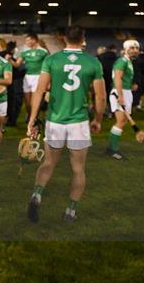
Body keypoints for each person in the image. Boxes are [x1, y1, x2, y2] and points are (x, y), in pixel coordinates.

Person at [27, 25, 105, 222]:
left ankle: (37, 194)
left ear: (63, 38)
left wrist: (32, 119)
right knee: (78, 169)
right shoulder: (93, 62)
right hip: (78, 123)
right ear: (83, 38)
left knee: (48, 162)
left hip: (55, 121)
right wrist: (97, 119)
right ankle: (70, 211)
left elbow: (40, 91)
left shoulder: (51, 60)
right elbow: (100, 97)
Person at [106, 40, 140, 160]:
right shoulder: (122, 61)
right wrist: (120, 96)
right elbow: (117, 79)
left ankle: (111, 147)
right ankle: (113, 150)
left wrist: (130, 86)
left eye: (136, 48)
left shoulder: (129, 61)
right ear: (125, 49)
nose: (135, 50)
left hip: (126, 92)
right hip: (119, 93)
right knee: (120, 121)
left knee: (123, 121)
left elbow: (123, 79)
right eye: (132, 48)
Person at [10, 33, 49, 120]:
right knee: (27, 102)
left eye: (28, 40)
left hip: (38, 77)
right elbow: (16, 64)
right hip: (27, 78)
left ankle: (33, 118)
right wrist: (9, 60)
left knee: (34, 101)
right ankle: (30, 115)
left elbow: (48, 66)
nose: (26, 42)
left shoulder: (43, 51)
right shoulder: (25, 52)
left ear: (34, 40)